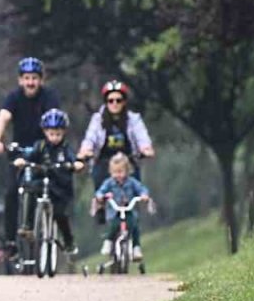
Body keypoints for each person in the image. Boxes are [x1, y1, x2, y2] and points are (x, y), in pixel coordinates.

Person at [0, 57, 61, 242]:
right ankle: (11, 240)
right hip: (19, 152)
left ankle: (53, 229)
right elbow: (3, 118)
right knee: (11, 192)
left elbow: (54, 121)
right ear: (20, 80)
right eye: (27, 78)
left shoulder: (49, 97)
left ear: (41, 80)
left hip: (44, 151)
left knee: (54, 188)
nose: (30, 82)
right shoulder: (13, 98)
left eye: (34, 78)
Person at [77, 80, 155, 222]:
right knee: (100, 178)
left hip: (127, 161)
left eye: (118, 100)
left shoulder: (133, 119)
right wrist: (85, 151)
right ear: (106, 102)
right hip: (104, 162)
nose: (114, 103)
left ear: (124, 102)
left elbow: (142, 136)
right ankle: (100, 206)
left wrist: (145, 149)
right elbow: (90, 138)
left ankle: (132, 221)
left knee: (134, 187)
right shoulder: (98, 119)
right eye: (110, 100)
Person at [12, 108, 84, 255]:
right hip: (42, 181)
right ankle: (27, 225)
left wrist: (76, 164)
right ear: (45, 132)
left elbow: (73, 159)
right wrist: (22, 161)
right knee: (28, 189)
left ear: (64, 132)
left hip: (60, 186)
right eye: (51, 134)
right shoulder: (41, 146)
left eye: (58, 134)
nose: (55, 137)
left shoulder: (65, 148)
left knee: (59, 214)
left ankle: (68, 240)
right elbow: (30, 157)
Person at [93, 152, 152, 261]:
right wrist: (100, 196)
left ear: (127, 171)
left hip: (128, 210)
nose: (118, 175)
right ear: (111, 172)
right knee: (114, 225)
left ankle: (136, 247)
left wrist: (144, 195)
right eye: (115, 172)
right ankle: (109, 241)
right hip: (114, 211)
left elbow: (141, 189)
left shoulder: (132, 182)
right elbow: (100, 191)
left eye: (120, 172)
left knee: (134, 225)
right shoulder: (109, 183)